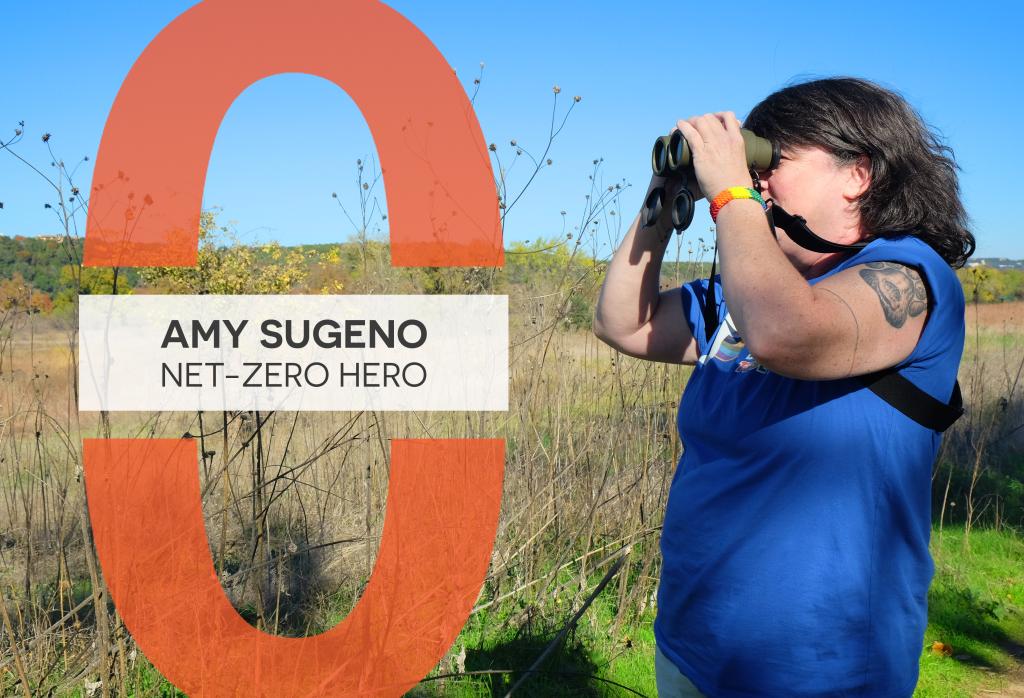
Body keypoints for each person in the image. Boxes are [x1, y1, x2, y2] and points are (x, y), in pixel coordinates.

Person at [593, 77, 974, 697]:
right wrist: (662, 198)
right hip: (696, 644)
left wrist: (730, 194)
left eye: (773, 159)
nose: (757, 176)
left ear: (859, 174)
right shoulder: (744, 294)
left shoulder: (910, 278)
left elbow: (784, 334)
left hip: (820, 667)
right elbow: (623, 323)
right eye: (752, 159)